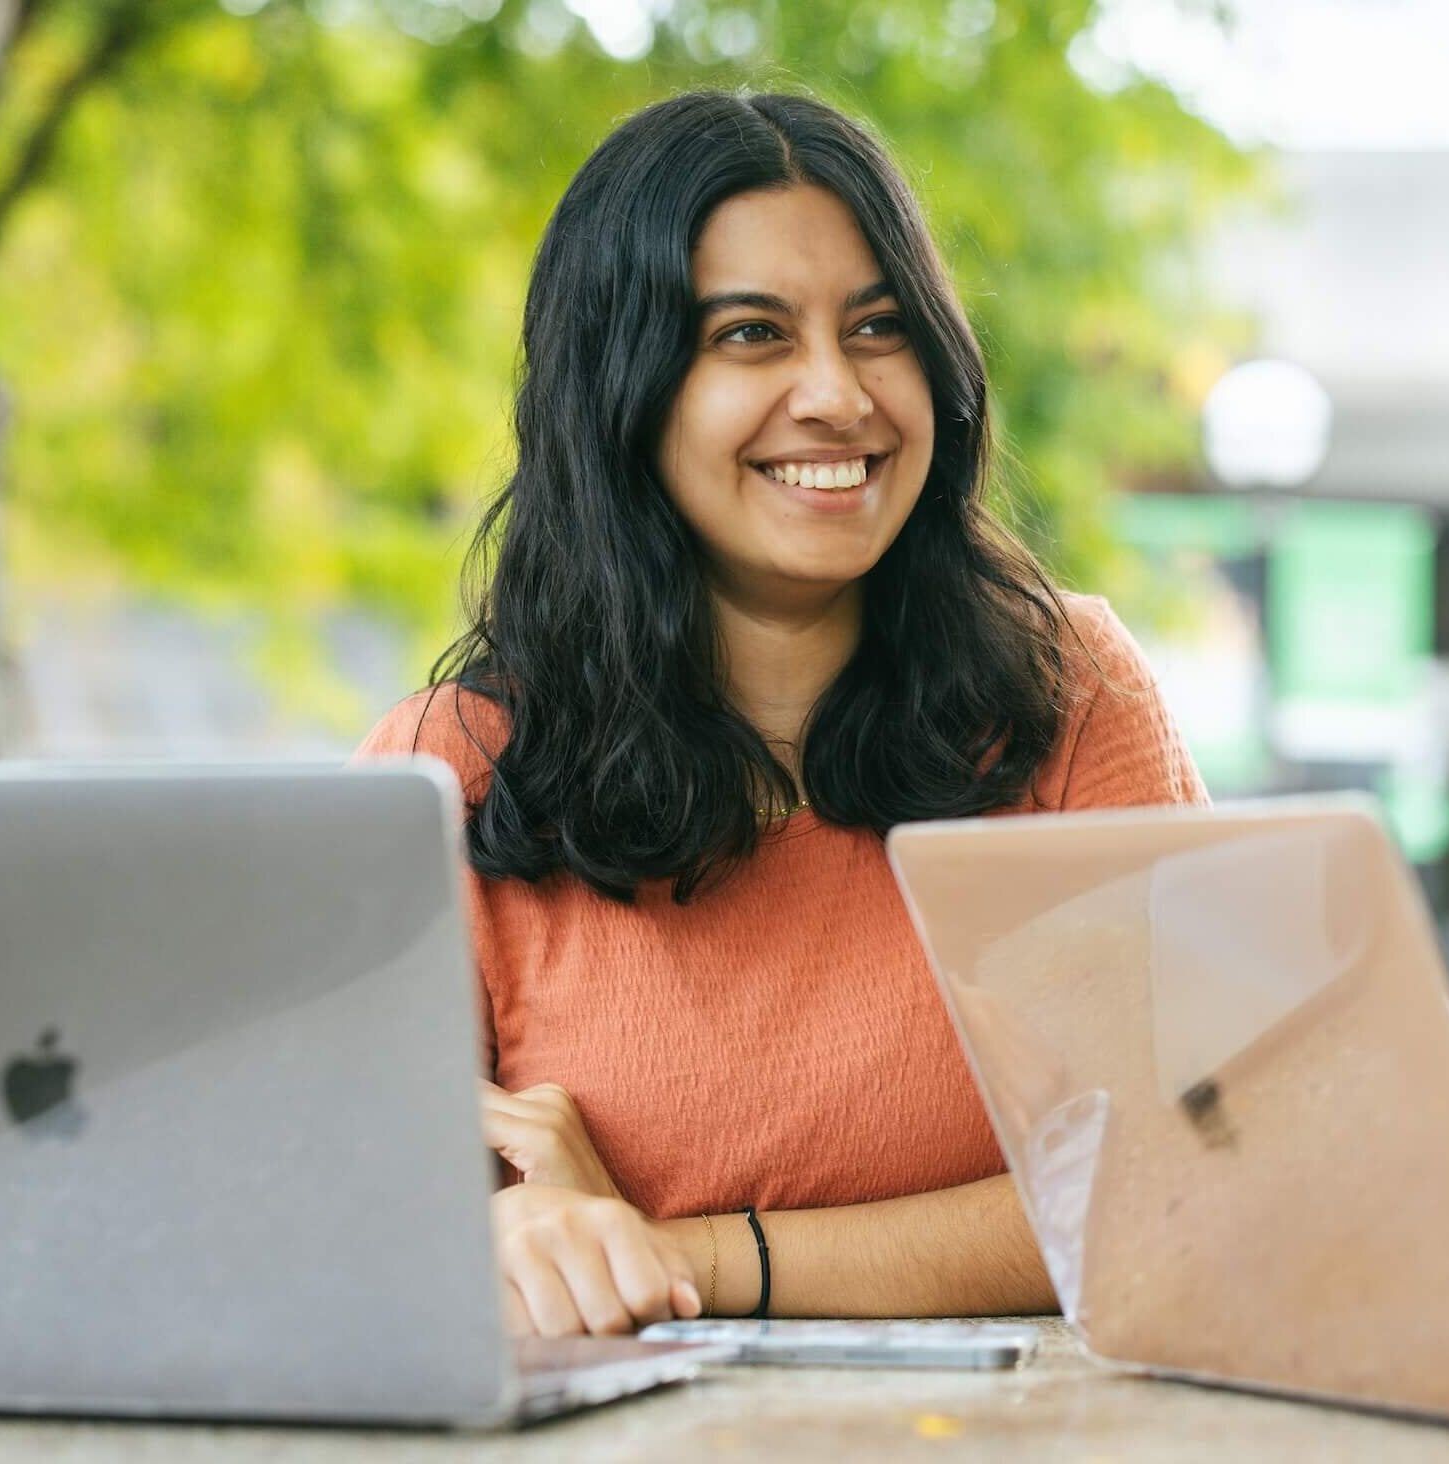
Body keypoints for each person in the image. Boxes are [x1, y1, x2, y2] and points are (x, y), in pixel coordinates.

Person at [354, 91, 1205, 1338]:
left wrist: (675, 1252)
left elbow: (1167, 1191)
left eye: (878, 328)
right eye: (750, 334)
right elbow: (338, 1223)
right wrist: (490, 1233)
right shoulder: (446, 772)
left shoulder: (1066, 690)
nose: (837, 395)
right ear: (621, 390)